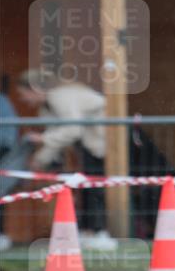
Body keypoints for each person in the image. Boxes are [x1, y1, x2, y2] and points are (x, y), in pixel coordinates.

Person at [15, 71, 117, 249]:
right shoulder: (45, 109)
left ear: (34, 89)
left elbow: (71, 130)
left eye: (24, 94)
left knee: (94, 188)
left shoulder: (60, 96)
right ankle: (88, 231)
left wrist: (43, 139)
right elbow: (56, 138)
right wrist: (39, 160)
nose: (24, 100)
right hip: (89, 145)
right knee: (85, 187)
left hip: (106, 143)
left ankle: (100, 232)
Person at [0, 74, 18, 251]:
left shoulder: (2, 101)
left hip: (1, 155)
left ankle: (0, 234)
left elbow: (8, 137)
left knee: (0, 194)